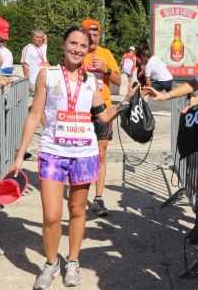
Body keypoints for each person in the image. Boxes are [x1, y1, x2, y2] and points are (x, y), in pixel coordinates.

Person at [11, 26, 135, 289]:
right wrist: (20, 154)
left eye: (83, 45)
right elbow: (34, 115)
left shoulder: (91, 80)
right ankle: (50, 262)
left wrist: (124, 102)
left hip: (84, 153)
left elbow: (102, 116)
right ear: (64, 44)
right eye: (73, 44)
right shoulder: (48, 74)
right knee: (52, 215)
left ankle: (73, 261)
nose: (78, 49)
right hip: (53, 152)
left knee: (78, 211)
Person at [81, 18, 121, 217]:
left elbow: (118, 81)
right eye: (89, 34)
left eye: (96, 34)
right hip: (81, 108)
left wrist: (106, 68)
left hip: (103, 107)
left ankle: (98, 198)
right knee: (83, 153)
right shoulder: (78, 52)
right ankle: (79, 195)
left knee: (101, 153)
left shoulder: (106, 54)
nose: (93, 37)